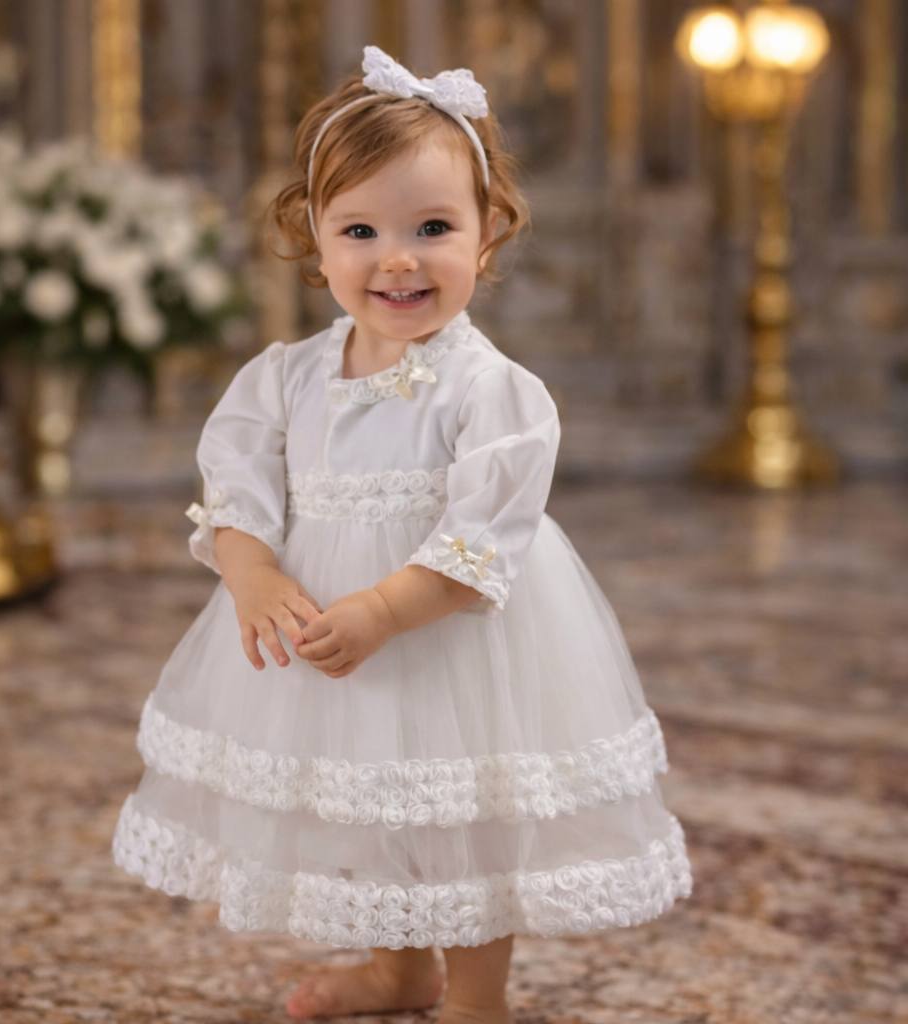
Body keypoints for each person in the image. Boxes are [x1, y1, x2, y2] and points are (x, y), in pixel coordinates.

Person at [112, 45, 693, 1024]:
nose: (398, 258)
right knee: (378, 798)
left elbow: (484, 535)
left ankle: (475, 995)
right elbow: (238, 488)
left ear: (488, 233)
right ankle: (398, 968)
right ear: (313, 237)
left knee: (459, 807)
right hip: (327, 621)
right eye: (361, 229)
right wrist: (250, 574)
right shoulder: (284, 378)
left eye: (433, 227)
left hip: (452, 629)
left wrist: (387, 605)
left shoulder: (494, 392)